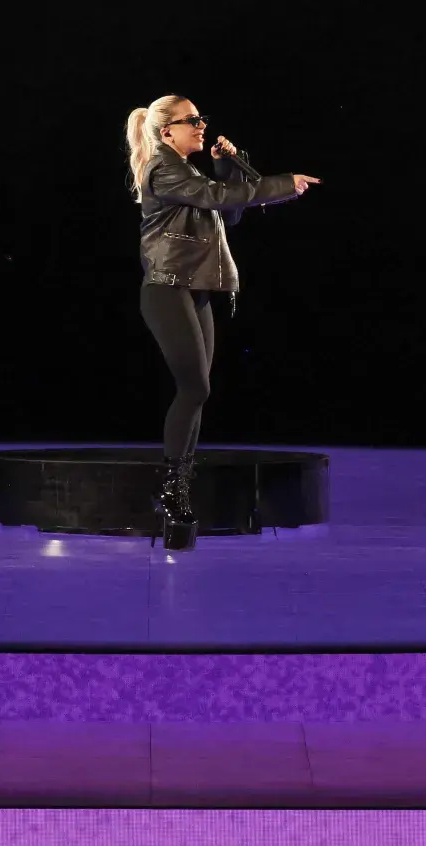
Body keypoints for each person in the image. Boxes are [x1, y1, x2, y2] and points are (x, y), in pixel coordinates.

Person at [125, 95, 320, 550]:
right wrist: (281, 184)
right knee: (194, 388)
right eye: (191, 120)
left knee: (200, 390)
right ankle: (171, 491)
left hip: (193, 289)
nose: (201, 125)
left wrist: (229, 166)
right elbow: (218, 197)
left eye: (201, 118)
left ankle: (178, 488)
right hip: (167, 287)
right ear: (167, 132)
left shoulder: (186, 170)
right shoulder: (163, 168)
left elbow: (228, 211)